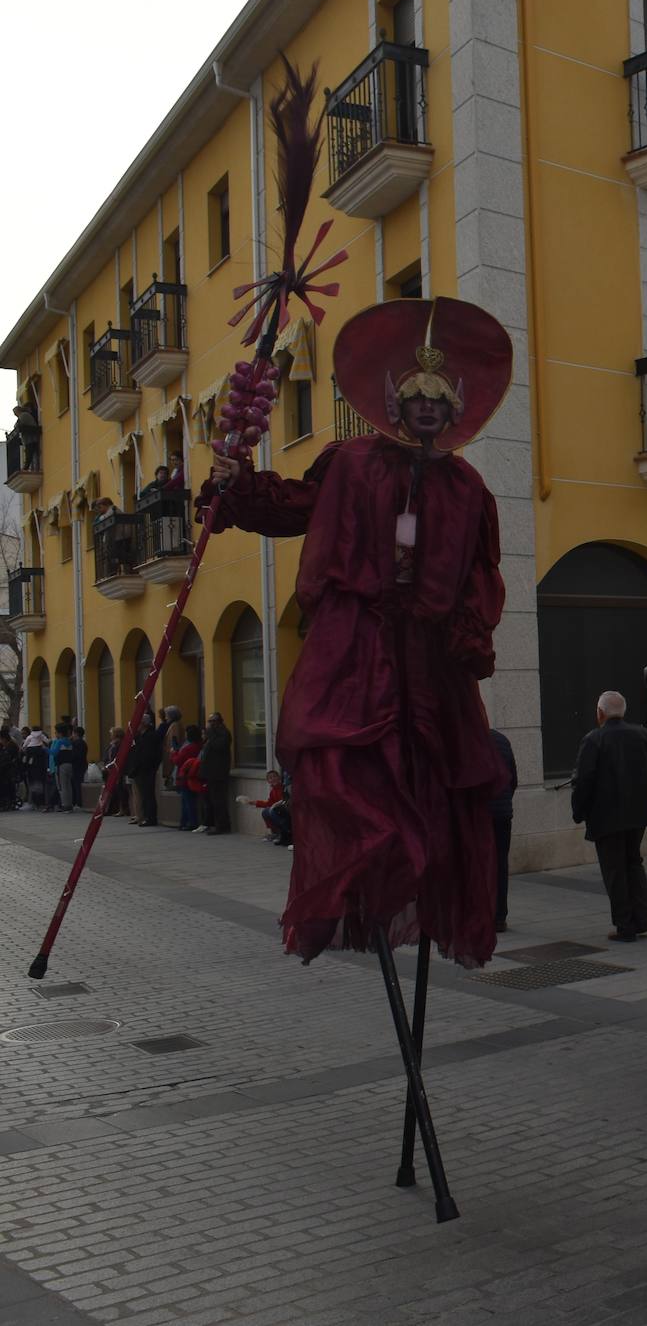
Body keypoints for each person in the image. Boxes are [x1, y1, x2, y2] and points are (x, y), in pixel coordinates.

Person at [199, 296, 510, 966]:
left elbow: (480, 575)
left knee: (435, 785)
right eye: (416, 398)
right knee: (345, 768)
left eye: (438, 401)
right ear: (396, 405)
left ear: (452, 412)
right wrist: (239, 487)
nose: (426, 409)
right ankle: (369, 877)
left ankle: (417, 882)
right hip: (358, 649)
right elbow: (298, 507)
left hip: (430, 662)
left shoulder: (467, 489)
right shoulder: (352, 462)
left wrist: (468, 633)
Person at [571, 691, 647, 942]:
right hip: (638, 812)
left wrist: (578, 811)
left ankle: (625, 925)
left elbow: (584, 780)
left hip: (606, 815)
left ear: (600, 713)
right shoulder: (642, 734)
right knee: (634, 862)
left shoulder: (594, 739)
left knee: (614, 869)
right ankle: (642, 919)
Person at [488, 729, 517, 932]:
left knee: (480, 865)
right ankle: (499, 916)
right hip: (502, 813)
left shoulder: (466, 740)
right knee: (500, 864)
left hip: (480, 815)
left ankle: (483, 913)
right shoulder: (502, 740)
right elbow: (513, 779)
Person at [198, 712, 232, 835]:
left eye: (213, 721)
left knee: (218, 801)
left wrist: (211, 735)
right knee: (211, 800)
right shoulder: (212, 735)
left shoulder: (223, 733)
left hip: (218, 773)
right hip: (210, 773)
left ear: (220, 721)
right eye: (210, 721)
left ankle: (222, 826)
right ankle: (213, 824)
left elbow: (219, 746)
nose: (211, 724)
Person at [127, 711, 161, 826]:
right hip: (140, 769)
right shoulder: (140, 736)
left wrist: (143, 766)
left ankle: (150, 817)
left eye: (138, 723)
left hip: (146, 769)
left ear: (144, 724)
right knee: (144, 794)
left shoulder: (150, 736)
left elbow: (148, 755)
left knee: (148, 794)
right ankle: (145, 816)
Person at [236, 770, 284, 840]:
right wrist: (253, 802)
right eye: (270, 778)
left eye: (274, 776)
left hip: (284, 809)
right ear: (268, 781)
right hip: (277, 809)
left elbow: (284, 801)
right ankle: (275, 833)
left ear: (279, 777)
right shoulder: (273, 791)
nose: (273, 779)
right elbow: (269, 803)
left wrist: (275, 806)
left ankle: (283, 832)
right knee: (265, 812)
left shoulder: (283, 787)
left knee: (271, 811)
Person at [172, 724, 203, 831]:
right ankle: (185, 822)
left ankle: (190, 822)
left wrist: (173, 753)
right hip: (194, 775)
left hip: (186, 776)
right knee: (189, 801)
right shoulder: (200, 745)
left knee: (187, 802)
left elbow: (177, 760)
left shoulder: (188, 748)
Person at [49, 723, 76, 812]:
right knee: (68, 785)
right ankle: (70, 804)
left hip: (61, 766)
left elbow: (54, 753)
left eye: (56, 732)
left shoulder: (59, 742)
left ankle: (65, 805)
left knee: (62, 786)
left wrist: (45, 748)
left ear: (59, 733)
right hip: (70, 764)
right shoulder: (69, 741)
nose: (55, 734)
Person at [20, 728, 49, 809]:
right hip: (41, 767)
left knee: (32, 784)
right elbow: (47, 742)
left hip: (31, 767)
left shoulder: (29, 738)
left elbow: (23, 747)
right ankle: (41, 802)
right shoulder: (42, 737)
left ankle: (33, 802)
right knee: (41, 784)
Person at [70, 726, 89, 809]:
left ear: (76, 734)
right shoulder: (83, 743)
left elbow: (74, 755)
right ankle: (78, 802)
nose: (72, 735)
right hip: (82, 764)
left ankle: (78, 802)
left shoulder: (76, 743)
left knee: (77, 784)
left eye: (73, 733)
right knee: (79, 783)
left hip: (77, 765)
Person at [0, 732, 20, 809]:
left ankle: (7, 801)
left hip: (8, 772)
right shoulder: (7, 747)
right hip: (6, 771)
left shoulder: (10, 747)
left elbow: (6, 761)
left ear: (4, 739)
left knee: (5, 785)